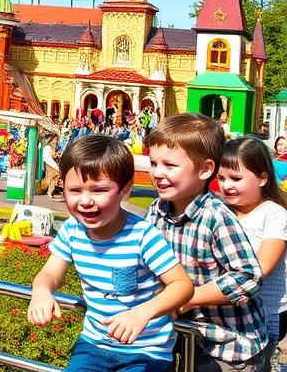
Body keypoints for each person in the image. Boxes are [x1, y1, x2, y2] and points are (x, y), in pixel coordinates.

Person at [28, 135, 193, 372]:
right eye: (75, 190)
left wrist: (142, 313)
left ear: (125, 191)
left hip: (145, 350)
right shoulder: (72, 230)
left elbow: (182, 285)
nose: (85, 201)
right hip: (94, 344)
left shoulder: (143, 235)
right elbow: (50, 274)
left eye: (99, 190)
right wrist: (41, 291)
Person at [146, 113, 267, 371]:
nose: (157, 173)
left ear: (205, 169)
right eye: (154, 163)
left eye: (169, 165)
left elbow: (248, 277)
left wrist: (188, 297)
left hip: (228, 343)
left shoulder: (216, 216)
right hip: (182, 334)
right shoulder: (157, 210)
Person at [216, 137, 287, 350]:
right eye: (221, 178)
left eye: (236, 179)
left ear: (263, 178)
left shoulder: (274, 214)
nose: (226, 186)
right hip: (226, 308)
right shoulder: (219, 210)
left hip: (266, 312)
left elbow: (261, 267)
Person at [42, 132, 62, 199]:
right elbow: (48, 157)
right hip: (51, 165)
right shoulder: (48, 148)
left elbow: (53, 155)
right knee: (51, 178)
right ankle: (49, 192)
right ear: (52, 140)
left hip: (53, 164)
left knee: (53, 179)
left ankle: (50, 192)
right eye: (55, 139)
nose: (56, 141)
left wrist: (57, 155)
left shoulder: (53, 147)